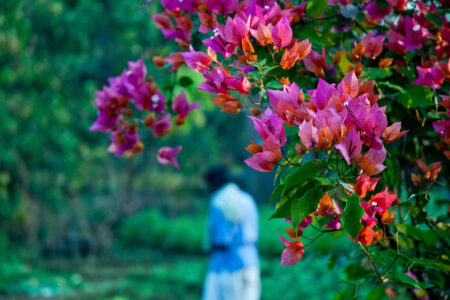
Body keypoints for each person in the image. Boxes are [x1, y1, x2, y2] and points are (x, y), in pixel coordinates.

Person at [202, 165, 260, 300]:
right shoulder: (248, 199)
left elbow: (222, 240)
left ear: (213, 184)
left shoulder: (218, 201)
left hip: (228, 267)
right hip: (251, 262)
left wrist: (208, 250)